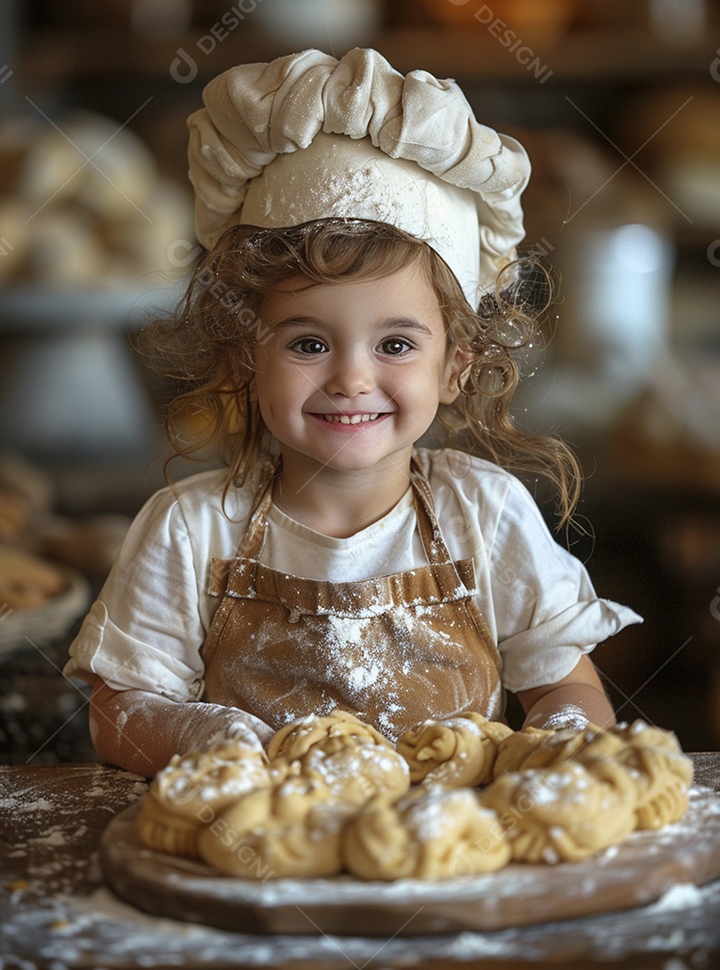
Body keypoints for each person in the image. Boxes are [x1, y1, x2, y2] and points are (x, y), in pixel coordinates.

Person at [64, 48, 641, 777]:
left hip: (448, 857)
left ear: (456, 365)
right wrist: (203, 739)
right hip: (256, 858)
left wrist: (564, 743)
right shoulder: (190, 530)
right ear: (246, 354)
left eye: (396, 343)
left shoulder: (485, 515)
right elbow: (120, 712)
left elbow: (565, 685)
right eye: (308, 341)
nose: (352, 377)